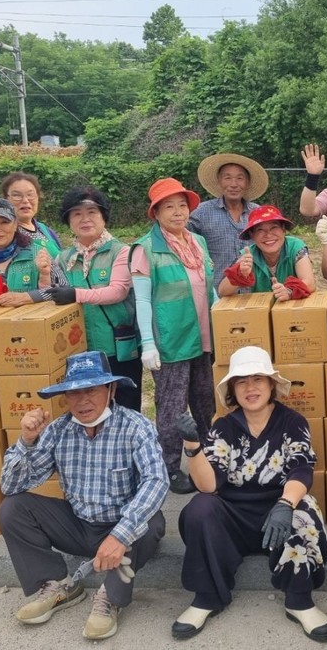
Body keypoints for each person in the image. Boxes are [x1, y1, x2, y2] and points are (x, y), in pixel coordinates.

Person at [0, 350, 168, 641]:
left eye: (92, 390)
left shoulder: (135, 426)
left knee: (151, 523)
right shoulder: (59, 430)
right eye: (74, 393)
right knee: (13, 508)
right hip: (78, 525)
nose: (83, 401)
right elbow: (11, 486)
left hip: (121, 527)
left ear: (111, 390)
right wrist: (26, 442)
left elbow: (157, 480)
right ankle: (60, 585)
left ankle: (110, 597)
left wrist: (120, 536)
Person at [172, 346, 327, 642]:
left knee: (305, 508)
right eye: (242, 381)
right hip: (234, 517)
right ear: (233, 390)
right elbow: (209, 485)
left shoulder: (292, 422)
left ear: (271, 384)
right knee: (200, 507)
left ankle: (299, 600)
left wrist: (285, 503)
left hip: (278, 514)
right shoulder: (223, 427)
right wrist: (192, 446)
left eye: (258, 379)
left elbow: (302, 470)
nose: (250, 388)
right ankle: (207, 596)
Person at [130, 178, 215, 494]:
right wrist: (148, 343)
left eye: (182, 205)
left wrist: (221, 321)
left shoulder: (197, 242)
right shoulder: (146, 249)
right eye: (169, 207)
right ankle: (168, 467)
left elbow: (209, 287)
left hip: (203, 336)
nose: (178, 212)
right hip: (170, 340)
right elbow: (141, 299)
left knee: (205, 402)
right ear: (156, 212)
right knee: (172, 407)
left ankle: (209, 458)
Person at [50, 186, 142, 411]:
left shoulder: (121, 251)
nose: (85, 219)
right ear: (68, 221)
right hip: (79, 349)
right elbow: (54, 297)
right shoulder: (63, 258)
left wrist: (76, 294)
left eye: (92, 212)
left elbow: (118, 291)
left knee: (125, 406)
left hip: (117, 346)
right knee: (89, 407)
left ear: (103, 217)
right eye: (77, 214)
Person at [0, 197, 68, 307]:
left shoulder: (37, 252)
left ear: (15, 225)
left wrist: (27, 297)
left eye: (4, 222)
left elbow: (64, 289)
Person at [187, 153, 267, 290]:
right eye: (227, 178)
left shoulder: (258, 213)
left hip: (254, 292)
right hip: (217, 293)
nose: (233, 184)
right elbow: (182, 243)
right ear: (219, 181)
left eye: (240, 178)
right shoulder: (201, 213)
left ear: (247, 183)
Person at [218, 205, 316, 301]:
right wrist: (240, 273)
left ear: (283, 229)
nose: (268, 235)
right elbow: (222, 291)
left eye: (274, 227)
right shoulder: (248, 256)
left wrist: (289, 291)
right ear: (252, 235)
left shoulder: (296, 247)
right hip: (261, 308)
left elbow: (310, 283)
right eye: (260, 230)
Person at [0, 171, 64, 257]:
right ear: (5, 200)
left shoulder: (46, 231)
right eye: (17, 195)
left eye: (30, 194)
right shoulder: (3, 234)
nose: (25, 200)